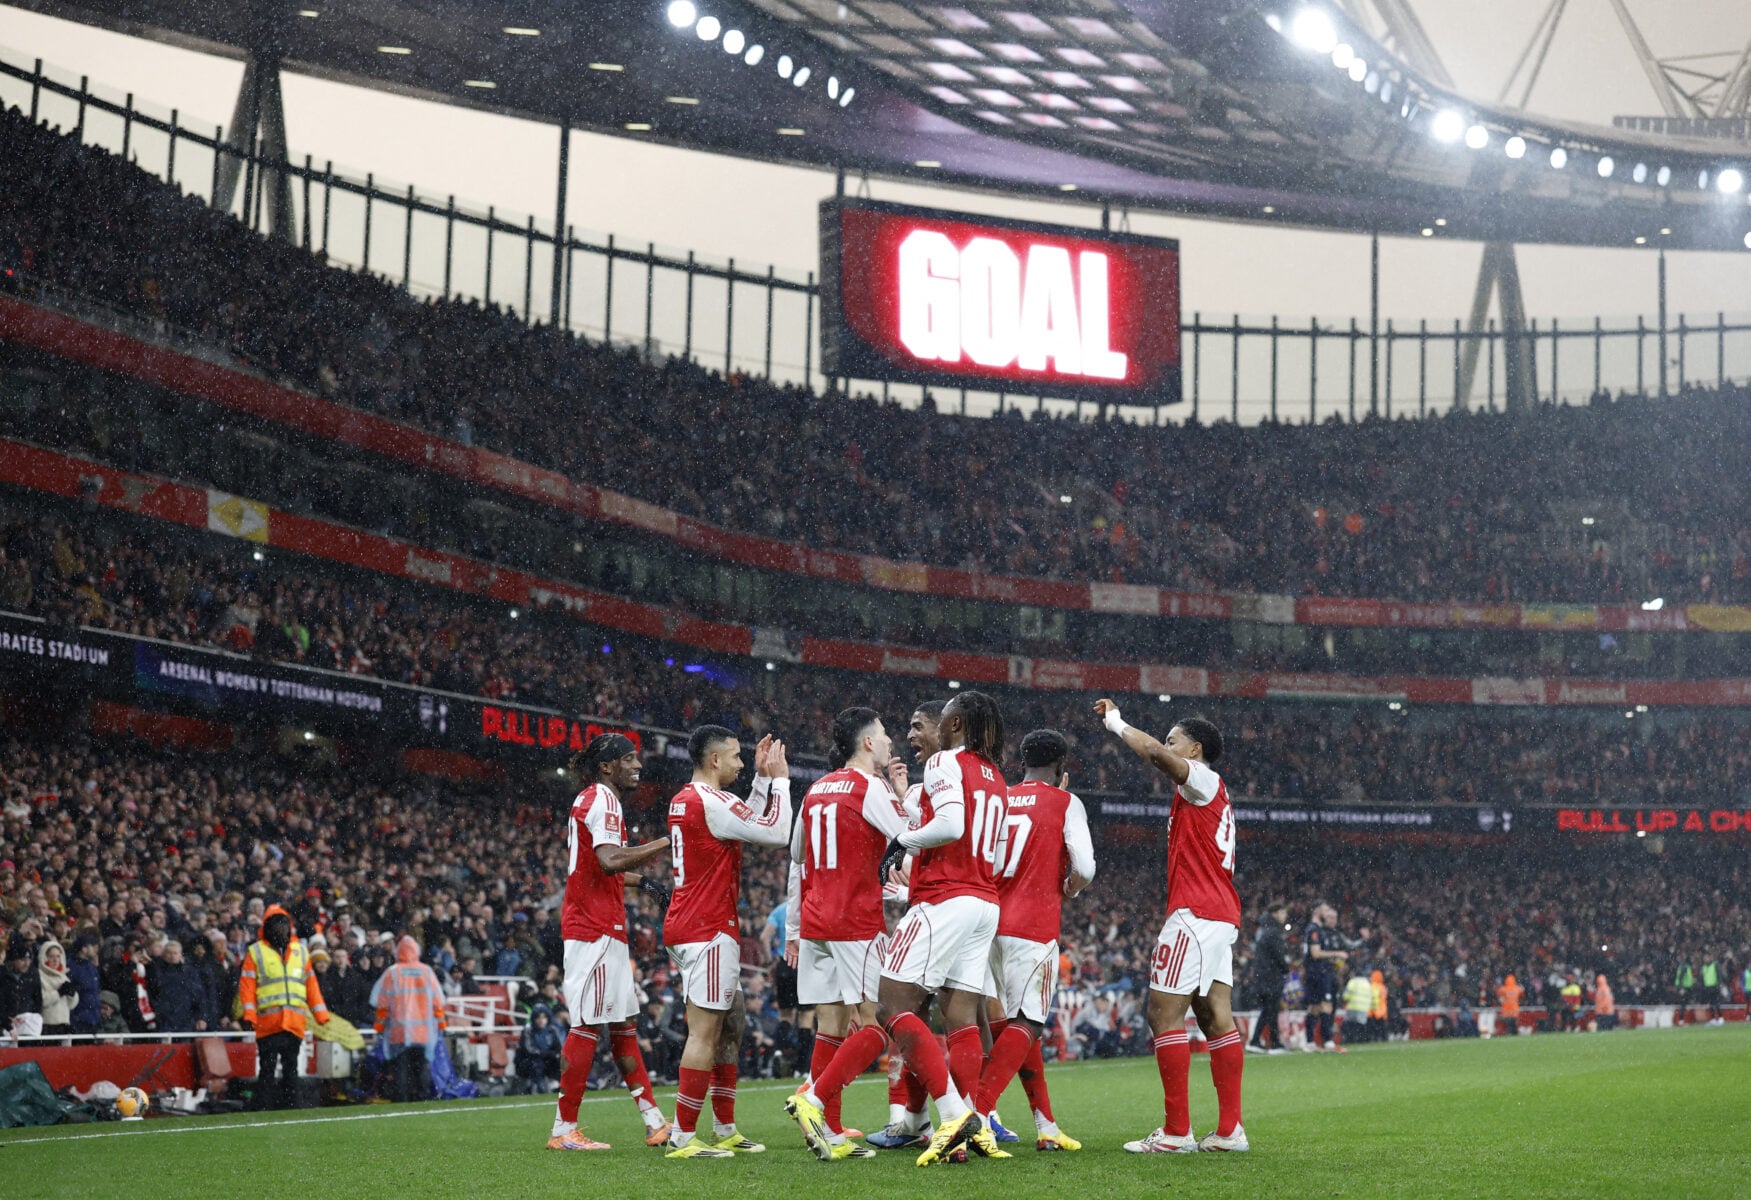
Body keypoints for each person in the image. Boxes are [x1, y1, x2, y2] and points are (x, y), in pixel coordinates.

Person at [855, 690, 1012, 1166]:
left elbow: (950, 825)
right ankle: (969, 1124)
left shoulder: (946, 760)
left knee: (891, 1004)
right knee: (961, 1019)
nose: (938, 728)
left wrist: (902, 841)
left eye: (943, 720)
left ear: (956, 723)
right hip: (985, 901)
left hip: (946, 897)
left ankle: (952, 1116)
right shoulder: (997, 777)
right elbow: (999, 856)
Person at [1093, 700, 1248, 1154]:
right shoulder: (1211, 792)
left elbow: (1155, 755)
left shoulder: (1200, 778)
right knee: (1214, 1017)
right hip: (1218, 914)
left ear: (1195, 750)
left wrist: (1117, 724)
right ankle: (1229, 1131)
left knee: (1163, 1014)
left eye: (1174, 740)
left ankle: (1177, 1132)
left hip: (1195, 914)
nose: (1166, 745)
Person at [781, 707, 911, 1160]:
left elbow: (797, 851)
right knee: (878, 1023)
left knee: (832, 1025)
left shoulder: (816, 788)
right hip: (854, 920)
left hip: (816, 921)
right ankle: (813, 1100)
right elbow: (909, 837)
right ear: (868, 742)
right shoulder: (869, 787)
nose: (890, 740)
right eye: (884, 733)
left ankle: (831, 1132)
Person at [661, 727, 792, 1159]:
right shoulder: (711, 802)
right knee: (704, 1032)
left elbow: (741, 820)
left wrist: (760, 781)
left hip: (692, 924)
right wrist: (780, 781)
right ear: (715, 760)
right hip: (708, 929)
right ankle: (682, 1136)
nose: (741, 763)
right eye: (735, 756)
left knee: (731, 1022)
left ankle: (725, 1127)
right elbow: (775, 833)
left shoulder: (691, 799)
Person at [971, 728, 1095, 1152]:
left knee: (1018, 1028)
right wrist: (1070, 887)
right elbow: (1086, 867)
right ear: (1061, 767)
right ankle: (977, 1111)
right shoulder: (1065, 801)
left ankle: (1046, 1125)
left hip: (988, 922)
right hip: (1033, 926)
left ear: (1021, 762)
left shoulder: (1000, 797)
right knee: (1029, 1022)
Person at [550, 732, 675, 1153]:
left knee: (623, 1026)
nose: (637, 766)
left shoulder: (595, 799)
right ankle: (563, 1129)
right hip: (593, 928)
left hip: (604, 926)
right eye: (629, 759)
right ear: (607, 766)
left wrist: (646, 883)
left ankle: (654, 1122)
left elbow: (599, 864)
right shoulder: (603, 800)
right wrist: (665, 841)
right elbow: (608, 860)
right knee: (586, 1024)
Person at [865, 700, 945, 1151]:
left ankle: (956, 1115)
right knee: (938, 1017)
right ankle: (922, 1120)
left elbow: (931, 840)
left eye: (918, 727)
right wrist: (901, 797)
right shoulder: (931, 785)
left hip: (941, 908)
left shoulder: (946, 777)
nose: (909, 736)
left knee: (903, 1011)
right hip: (954, 906)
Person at [237, 904, 330, 1110]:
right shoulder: (256, 952)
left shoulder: (301, 952)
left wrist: (320, 1014)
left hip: (293, 1023)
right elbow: (247, 986)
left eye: (284, 925)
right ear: (268, 928)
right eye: (278, 925)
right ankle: (265, 1107)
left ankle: (288, 1107)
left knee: (291, 1068)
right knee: (268, 1069)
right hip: (269, 1023)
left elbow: (311, 985)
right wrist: (249, 1015)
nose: (281, 929)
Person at [370, 935, 448, 1102]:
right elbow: (438, 1002)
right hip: (422, 1032)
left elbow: (382, 1003)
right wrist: (441, 1025)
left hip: (399, 1032)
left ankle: (402, 1100)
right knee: (421, 1067)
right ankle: (421, 1098)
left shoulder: (393, 973)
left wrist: (378, 1028)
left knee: (400, 1068)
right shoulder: (426, 972)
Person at [1300, 903, 1351, 1052]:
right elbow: (1315, 953)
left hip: (1316, 971)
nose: (1327, 913)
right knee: (1325, 1005)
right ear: (1317, 911)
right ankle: (1327, 1041)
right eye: (1325, 910)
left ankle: (1310, 1042)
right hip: (1318, 973)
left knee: (1315, 1007)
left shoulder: (1315, 929)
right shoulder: (1314, 930)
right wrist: (1336, 953)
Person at [1246, 901, 1291, 1055]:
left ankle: (1256, 1041)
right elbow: (1278, 955)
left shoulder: (1263, 929)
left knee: (1268, 1009)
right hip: (1271, 976)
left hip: (1263, 975)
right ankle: (1274, 1043)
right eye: (1283, 913)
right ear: (1275, 913)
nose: (1285, 916)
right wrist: (1286, 968)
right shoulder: (1273, 931)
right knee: (1271, 1009)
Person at [148, 938, 212, 1038]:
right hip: (164, 1021)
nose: (172, 956)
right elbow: (152, 994)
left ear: (181, 955)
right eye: (169, 953)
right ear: (163, 954)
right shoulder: (155, 971)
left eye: (175, 953)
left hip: (186, 1021)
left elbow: (200, 996)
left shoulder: (189, 973)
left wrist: (202, 1017)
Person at [518, 1003, 563, 1092]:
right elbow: (529, 1050)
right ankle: (536, 1086)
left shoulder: (552, 1030)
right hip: (530, 1060)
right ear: (533, 1019)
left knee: (562, 1062)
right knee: (536, 1064)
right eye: (538, 1017)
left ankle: (557, 1084)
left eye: (544, 1017)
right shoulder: (528, 1030)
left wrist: (555, 1055)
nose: (541, 1020)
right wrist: (547, 1054)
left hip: (548, 1059)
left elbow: (559, 1047)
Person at [37, 939, 78, 1037]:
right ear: (44, 957)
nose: (55, 960)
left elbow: (71, 1005)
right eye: (51, 956)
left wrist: (72, 994)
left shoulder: (64, 977)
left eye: (58, 956)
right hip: (46, 1025)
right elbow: (41, 1000)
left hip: (64, 1025)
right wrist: (58, 993)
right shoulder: (39, 976)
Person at [1342, 969, 1373, 1044]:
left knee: (1351, 1024)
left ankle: (1350, 1040)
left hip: (1353, 1006)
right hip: (1364, 1007)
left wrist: (1344, 998)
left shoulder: (1353, 982)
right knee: (1361, 1024)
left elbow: (1346, 995)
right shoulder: (1367, 983)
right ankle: (1362, 1039)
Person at [1495, 973, 1524, 1037]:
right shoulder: (1517, 988)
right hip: (1515, 1011)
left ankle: (1509, 1033)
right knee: (1513, 1024)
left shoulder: (1503, 989)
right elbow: (1522, 994)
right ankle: (1515, 1034)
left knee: (1509, 1025)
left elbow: (1498, 994)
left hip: (1506, 1012)